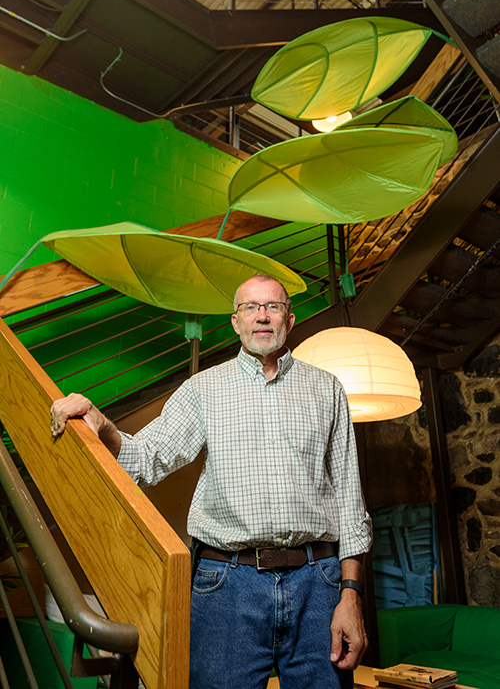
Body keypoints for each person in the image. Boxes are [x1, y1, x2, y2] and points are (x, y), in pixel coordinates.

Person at [51, 273, 372, 689]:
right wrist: (100, 421)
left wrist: (350, 595)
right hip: (227, 586)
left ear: (289, 321)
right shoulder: (203, 389)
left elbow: (350, 502)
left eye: (272, 306)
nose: (262, 316)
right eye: (250, 308)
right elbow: (144, 459)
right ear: (236, 322)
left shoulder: (326, 389)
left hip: (319, 584)